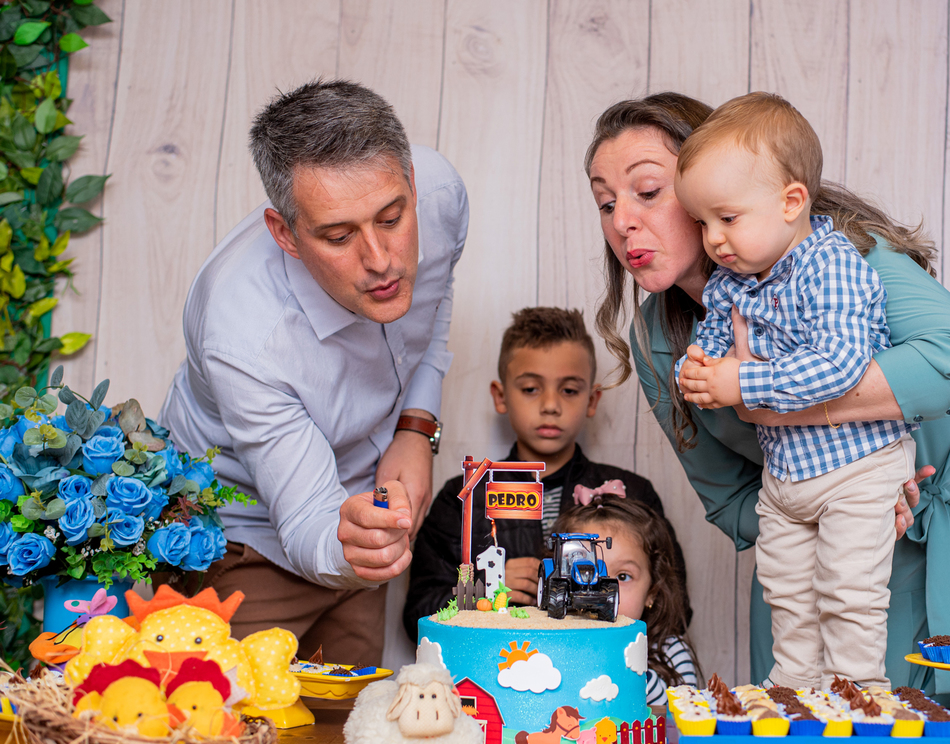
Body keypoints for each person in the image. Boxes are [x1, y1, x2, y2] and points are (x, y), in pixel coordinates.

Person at [585, 92, 950, 699]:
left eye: (647, 191)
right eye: (605, 202)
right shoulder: (657, 337)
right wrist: (822, 501)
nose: (622, 221)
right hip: (815, 543)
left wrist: (857, 463)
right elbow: (728, 498)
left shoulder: (842, 257)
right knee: (808, 721)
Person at [160, 80, 467, 666]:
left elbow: (432, 301)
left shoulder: (442, 192)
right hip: (239, 535)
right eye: (338, 235)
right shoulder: (242, 333)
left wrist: (415, 426)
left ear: (409, 179)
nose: (381, 261)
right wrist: (356, 544)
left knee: (348, 732)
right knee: (237, 737)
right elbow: (304, 519)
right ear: (285, 234)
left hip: (357, 507)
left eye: (392, 218)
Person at [671, 92, 916, 690]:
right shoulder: (736, 280)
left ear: (791, 202)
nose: (713, 240)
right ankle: (797, 701)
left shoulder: (828, 265)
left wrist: (739, 380)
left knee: (849, 596)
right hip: (787, 481)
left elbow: (840, 365)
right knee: (789, 602)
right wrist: (698, 367)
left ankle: (859, 702)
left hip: (856, 470)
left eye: (726, 219)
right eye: (703, 224)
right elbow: (711, 341)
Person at [403, 307, 684, 642]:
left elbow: (674, 608)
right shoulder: (463, 495)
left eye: (568, 390)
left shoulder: (631, 493)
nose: (550, 405)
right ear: (501, 396)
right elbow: (417, 614)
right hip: (495, 671)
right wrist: (487, 591)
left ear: (592, 399)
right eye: (531, 389)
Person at [552, 494, 698, 705]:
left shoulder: (672, 652)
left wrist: (628, 668)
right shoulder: (552, 643)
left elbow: (685, 719)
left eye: (623, 576)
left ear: (651, 592)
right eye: (587, 572)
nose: (602, 589)